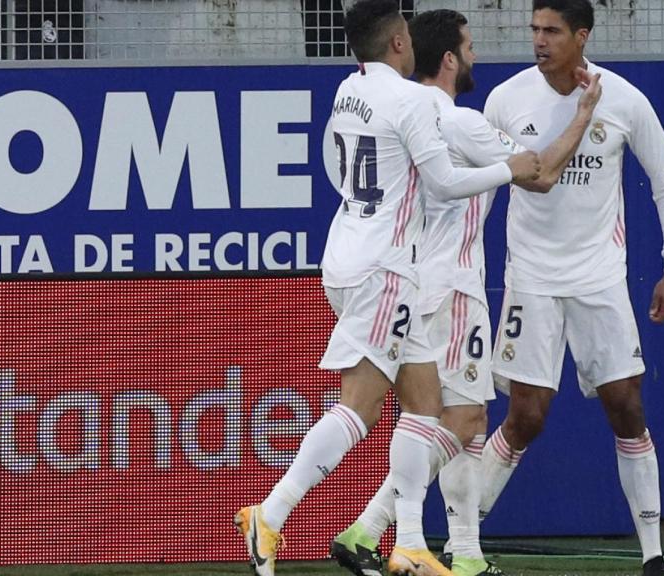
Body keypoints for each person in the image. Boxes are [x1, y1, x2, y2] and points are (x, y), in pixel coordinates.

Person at [232, 2, 542, 575]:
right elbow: (446, 184)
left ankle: (410, 545)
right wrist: (510, 167)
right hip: (386, 268)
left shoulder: (347, 91)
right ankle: (271, 515)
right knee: (360, 407)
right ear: (401, 42)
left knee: (426, 408)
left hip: (351, 254)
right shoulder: (410, 101)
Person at [328, 9, 603, 576]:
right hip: (450, 288)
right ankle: (371, 531)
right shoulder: (454, 120)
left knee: (440, 417)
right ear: (449, 58)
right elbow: (543, 172)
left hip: (407, 280)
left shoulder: (396, 106)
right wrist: (583, 113)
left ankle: (460, 550)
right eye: (470, 47)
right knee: (462, 419)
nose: (476, 56)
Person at [479, 1, 664, 576]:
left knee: (626, 407)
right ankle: (462, 544)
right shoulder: (507, 99)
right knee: (525, 417)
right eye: (534, 30)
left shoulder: (621, 98)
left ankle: (653, 555)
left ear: (581, 36)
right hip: (531, 279)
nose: (539, 41)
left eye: (551, 31)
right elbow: (486, 189)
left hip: (599, 279)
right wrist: (468, 263)